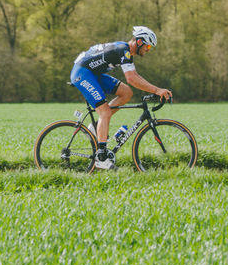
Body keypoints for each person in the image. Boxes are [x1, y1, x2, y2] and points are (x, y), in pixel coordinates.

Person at [70, 26, 172, 170]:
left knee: (126, 92)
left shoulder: (125, 51)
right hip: (82, 73)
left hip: (93, 73)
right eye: (148, 46)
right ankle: (101, 158)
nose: (148, 50)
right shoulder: (123, 50)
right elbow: (132, 78)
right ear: (139, 42)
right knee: (105, 112)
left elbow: (133, 77)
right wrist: (157, 90)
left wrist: (156, 90)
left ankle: (96, 126)